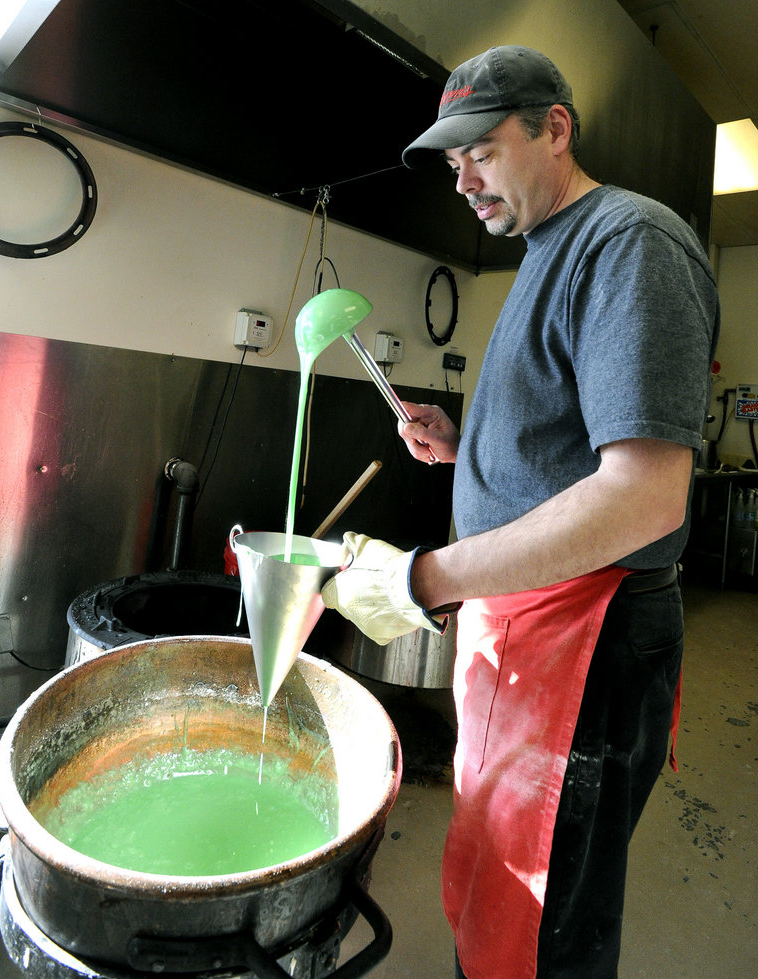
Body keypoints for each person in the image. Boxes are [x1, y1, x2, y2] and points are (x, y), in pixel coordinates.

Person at [321, 45, 720, 979]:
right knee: (498, 888)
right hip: (523, 635)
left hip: (585, 641)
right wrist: (466, 447)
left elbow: (644, 491)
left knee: (546, 928)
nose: (461, 179)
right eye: (451, 160)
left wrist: (424, 576)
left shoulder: (629, 242)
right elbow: (571, 450)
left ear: (555, 127)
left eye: (482, 150)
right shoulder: (544, 251)